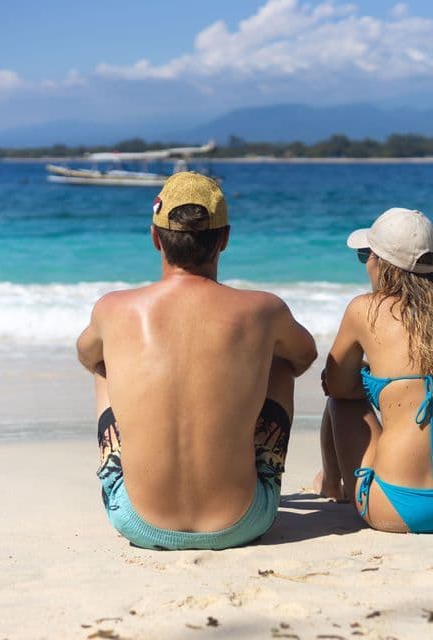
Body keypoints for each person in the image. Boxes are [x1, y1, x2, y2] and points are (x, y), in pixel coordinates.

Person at [77, 172, 317, 550]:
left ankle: (124, 471)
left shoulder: (113, 308)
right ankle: (255, 469)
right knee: (279, 363)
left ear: (156, 238)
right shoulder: (264, 309)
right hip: (244, 522)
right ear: (225, 239)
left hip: (137, 521)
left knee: (103, 364)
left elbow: (85, 355)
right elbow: (303, 356)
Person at [315, 208, 433, 533]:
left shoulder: (364, 309)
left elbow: (336, 385)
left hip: (397, 505)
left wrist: (366, 377)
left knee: (341, 402)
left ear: (382, 263)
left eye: (365, 255)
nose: (366, 264)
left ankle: (331, 483)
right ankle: (332, 482)